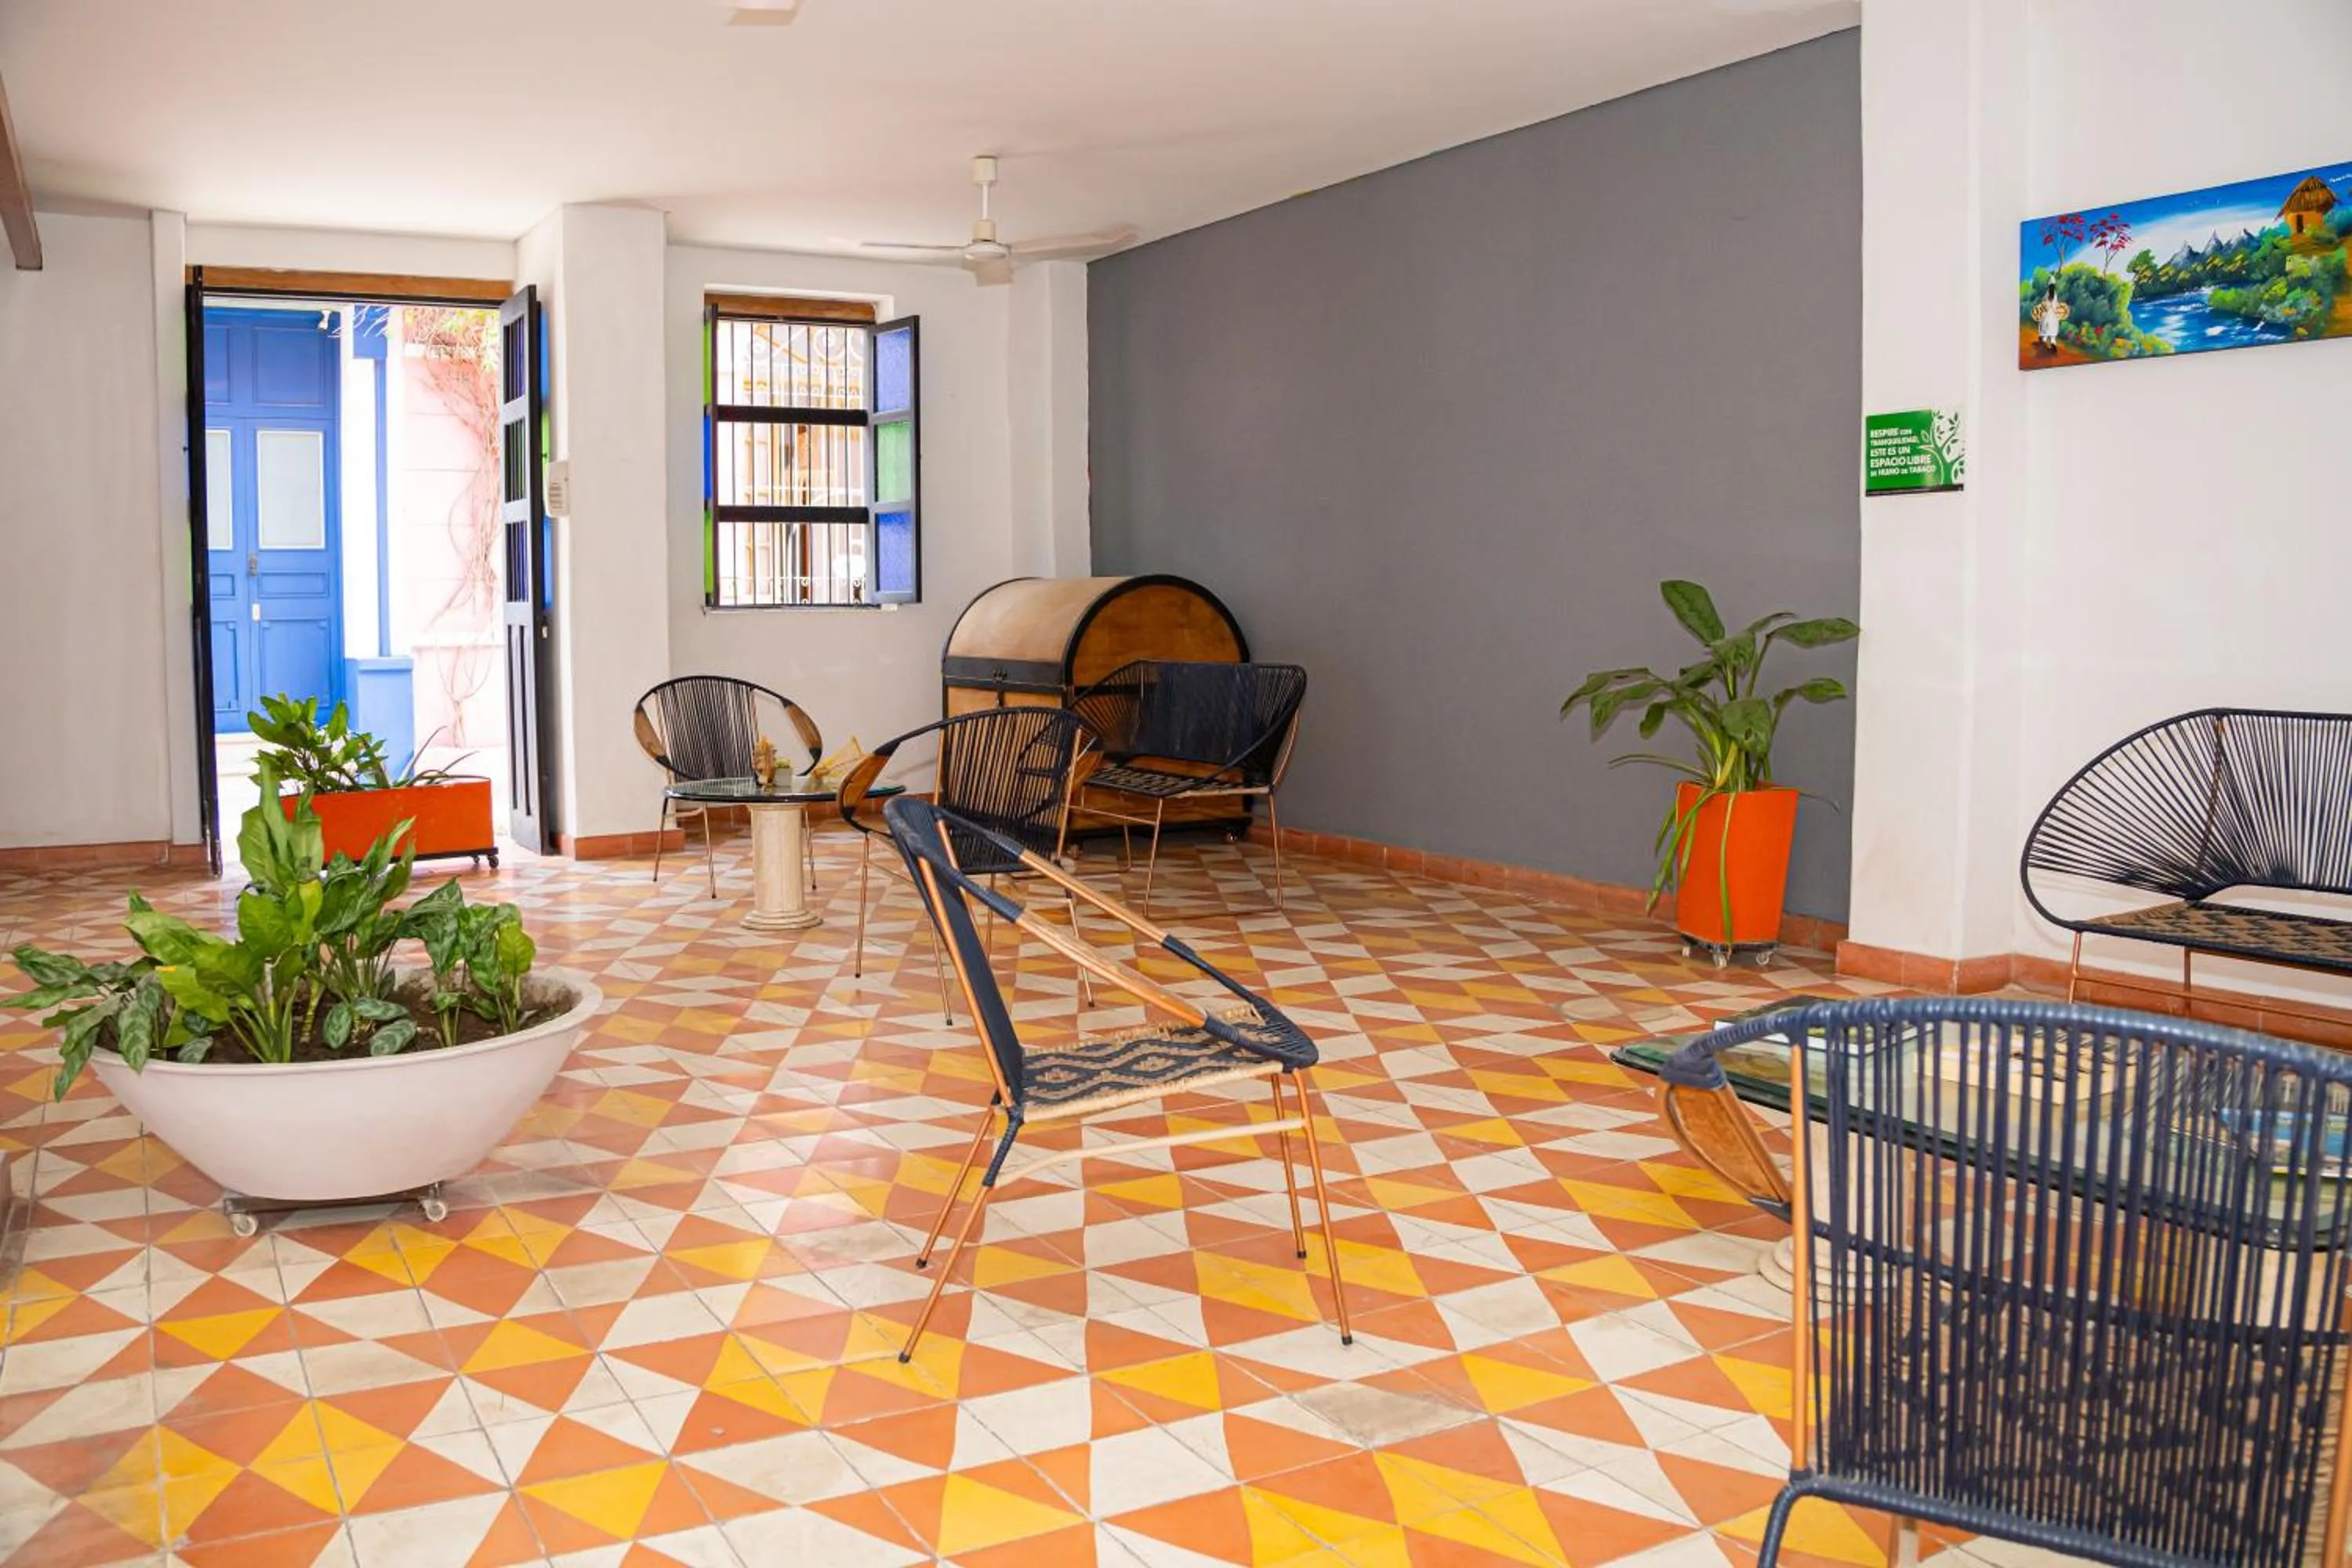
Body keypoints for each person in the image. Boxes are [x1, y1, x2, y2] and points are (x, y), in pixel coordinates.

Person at [2032, 281, 2070, 352]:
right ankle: (2052, 345)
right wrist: (2057, 311)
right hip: (2053, 314)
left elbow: (2045, 303)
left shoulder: (2047, 293)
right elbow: (2055, 305)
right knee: (2052, 334)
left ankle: (2044, 342)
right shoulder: (2055, 294)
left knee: (2045, 329)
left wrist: (2044, 308)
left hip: (2048, 314)